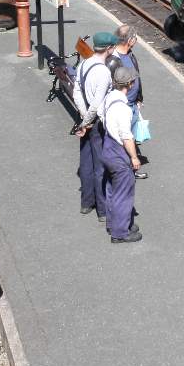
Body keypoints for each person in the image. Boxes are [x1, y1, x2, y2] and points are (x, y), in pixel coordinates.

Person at [75, 32, 118, 218]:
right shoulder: (104, 72)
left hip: (85, 117)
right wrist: (87, 122)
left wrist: (83, 116)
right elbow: (97, 103)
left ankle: (86, 203)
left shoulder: (84, 64)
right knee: (100, 166)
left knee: (85, 163)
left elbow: (77, 91)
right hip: (96, 123)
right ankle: (102, 210)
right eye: (113, 47)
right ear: (108, 49)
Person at [100, 66, 143, 244]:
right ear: (130, 84)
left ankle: (115, 223)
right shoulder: (124, 109)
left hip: (107, 146)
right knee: (124, 193)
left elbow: (100, 114)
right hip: (118, 152)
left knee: (112, 189)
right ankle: (120, 233)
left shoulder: (109, 97)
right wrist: (134, 157)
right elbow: (126, 136)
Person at [111, 24, 148, 177]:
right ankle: (125, 171)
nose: (136, 40)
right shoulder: (113, 60)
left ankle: (129, 168)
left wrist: (139, 97)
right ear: (130, 40)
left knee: (130, 137)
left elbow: (136, 76)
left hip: (133, 104)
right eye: (135, 38)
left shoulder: (130, 54)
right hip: (122, 106)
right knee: (123, 139)